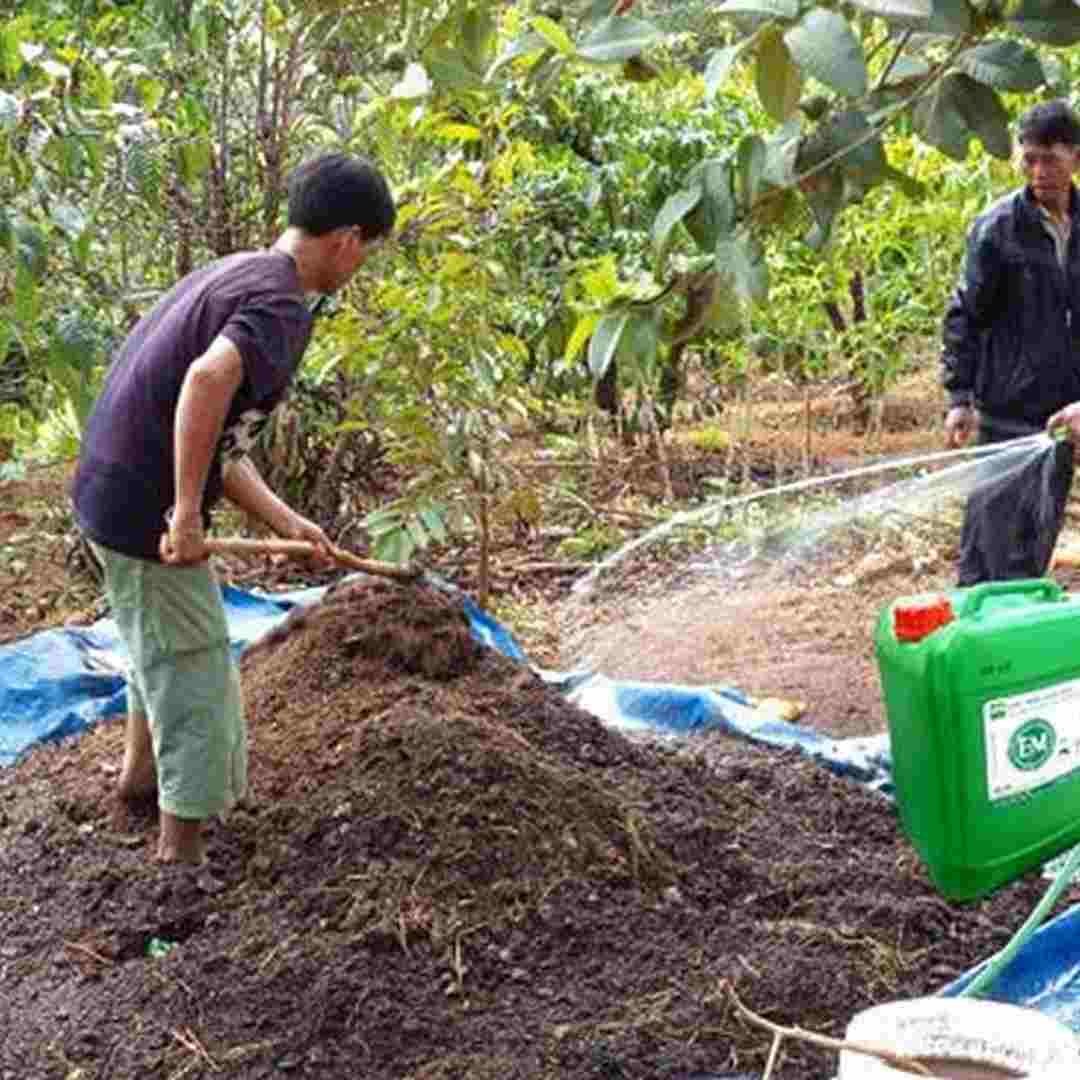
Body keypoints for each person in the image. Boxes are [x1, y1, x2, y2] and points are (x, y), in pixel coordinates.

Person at [72, 152, 396, 865]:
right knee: (194, 664)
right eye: (364, 255)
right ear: (346, 240)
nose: (357, 269)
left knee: (159, 644)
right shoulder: (280, 304)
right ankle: (178, 857)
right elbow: (206, 378)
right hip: (142, 509)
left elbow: (225, 445)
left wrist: (287, 523)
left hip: (108, 489)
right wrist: (185, 515)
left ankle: (138, 782)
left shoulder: (243, 271)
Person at [942, 99, 1080, 585]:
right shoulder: (999, 228)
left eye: (1051, 158)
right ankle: (976, 642)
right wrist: (959, 397)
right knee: (989, 544)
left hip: (1063, 420)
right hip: (1006, 413)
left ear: (1075, 158)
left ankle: (1007, 646)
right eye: (1030, 158)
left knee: (1035, 540)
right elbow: (966, 312)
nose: (1039, 171)